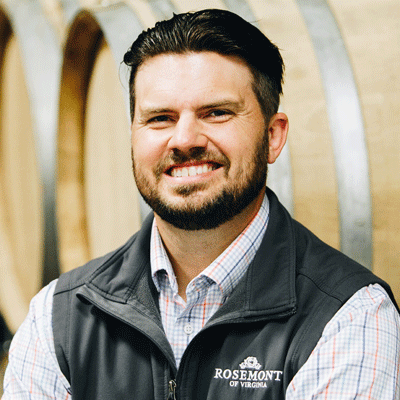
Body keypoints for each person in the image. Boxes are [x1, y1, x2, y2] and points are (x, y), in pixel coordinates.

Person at [3, 9, 400, 400]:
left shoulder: (349, 317)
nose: (184, 140)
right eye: (160, 118)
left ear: (273, 136)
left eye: (216, 113)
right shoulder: (58, 317)